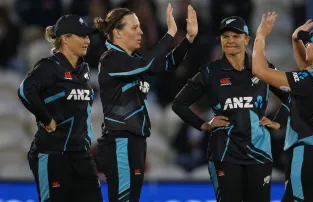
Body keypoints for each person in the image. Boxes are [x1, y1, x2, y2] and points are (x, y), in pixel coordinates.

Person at [172, 16, 290, 202]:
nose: (230, 41)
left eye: (236, 35)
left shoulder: (263, 68)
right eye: (225, 36)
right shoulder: (210, 72)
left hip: (259, 153)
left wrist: (278, 122)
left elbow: (290, 95)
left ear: (247, 40)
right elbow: (178, 104)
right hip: (224, 154)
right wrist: (204, 125)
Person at [93, 4, 198, 202]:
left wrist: (188, 39)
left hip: (136, 142)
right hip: (119, 142)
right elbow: (148, 64)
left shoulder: (134, 60)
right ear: (117, 32)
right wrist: (170, 33)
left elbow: (169, 63)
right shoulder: (111, 59)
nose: (141, 31)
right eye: (134, 27)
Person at [252, 12, 313, 201]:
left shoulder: (311, 80)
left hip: (305, 155)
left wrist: (261, 37)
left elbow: (259, 71)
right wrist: (296, 41)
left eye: (311, 43)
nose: (308, 44)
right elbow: (306, 71)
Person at [17, 15, 102, 202]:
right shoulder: (49, 66)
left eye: (88, 36)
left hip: (81, 156)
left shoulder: (84, 69)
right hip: (53, 154)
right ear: (65, 38)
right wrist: (47, 119)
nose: (87, 40)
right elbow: (25, 90)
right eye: (81, 36)